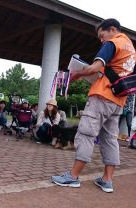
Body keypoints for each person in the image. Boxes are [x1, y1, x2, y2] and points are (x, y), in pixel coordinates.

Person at [52, 19, 136, 193]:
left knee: (86, 133)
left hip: (102, 96)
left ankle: (73, 177)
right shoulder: (130, 48)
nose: (101, 40)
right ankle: (107, 180)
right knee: (110, 139)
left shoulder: (113, 43)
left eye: (102, 35)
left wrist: (77, 74)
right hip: (118, 100)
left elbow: (94, 68)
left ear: (112, 29)